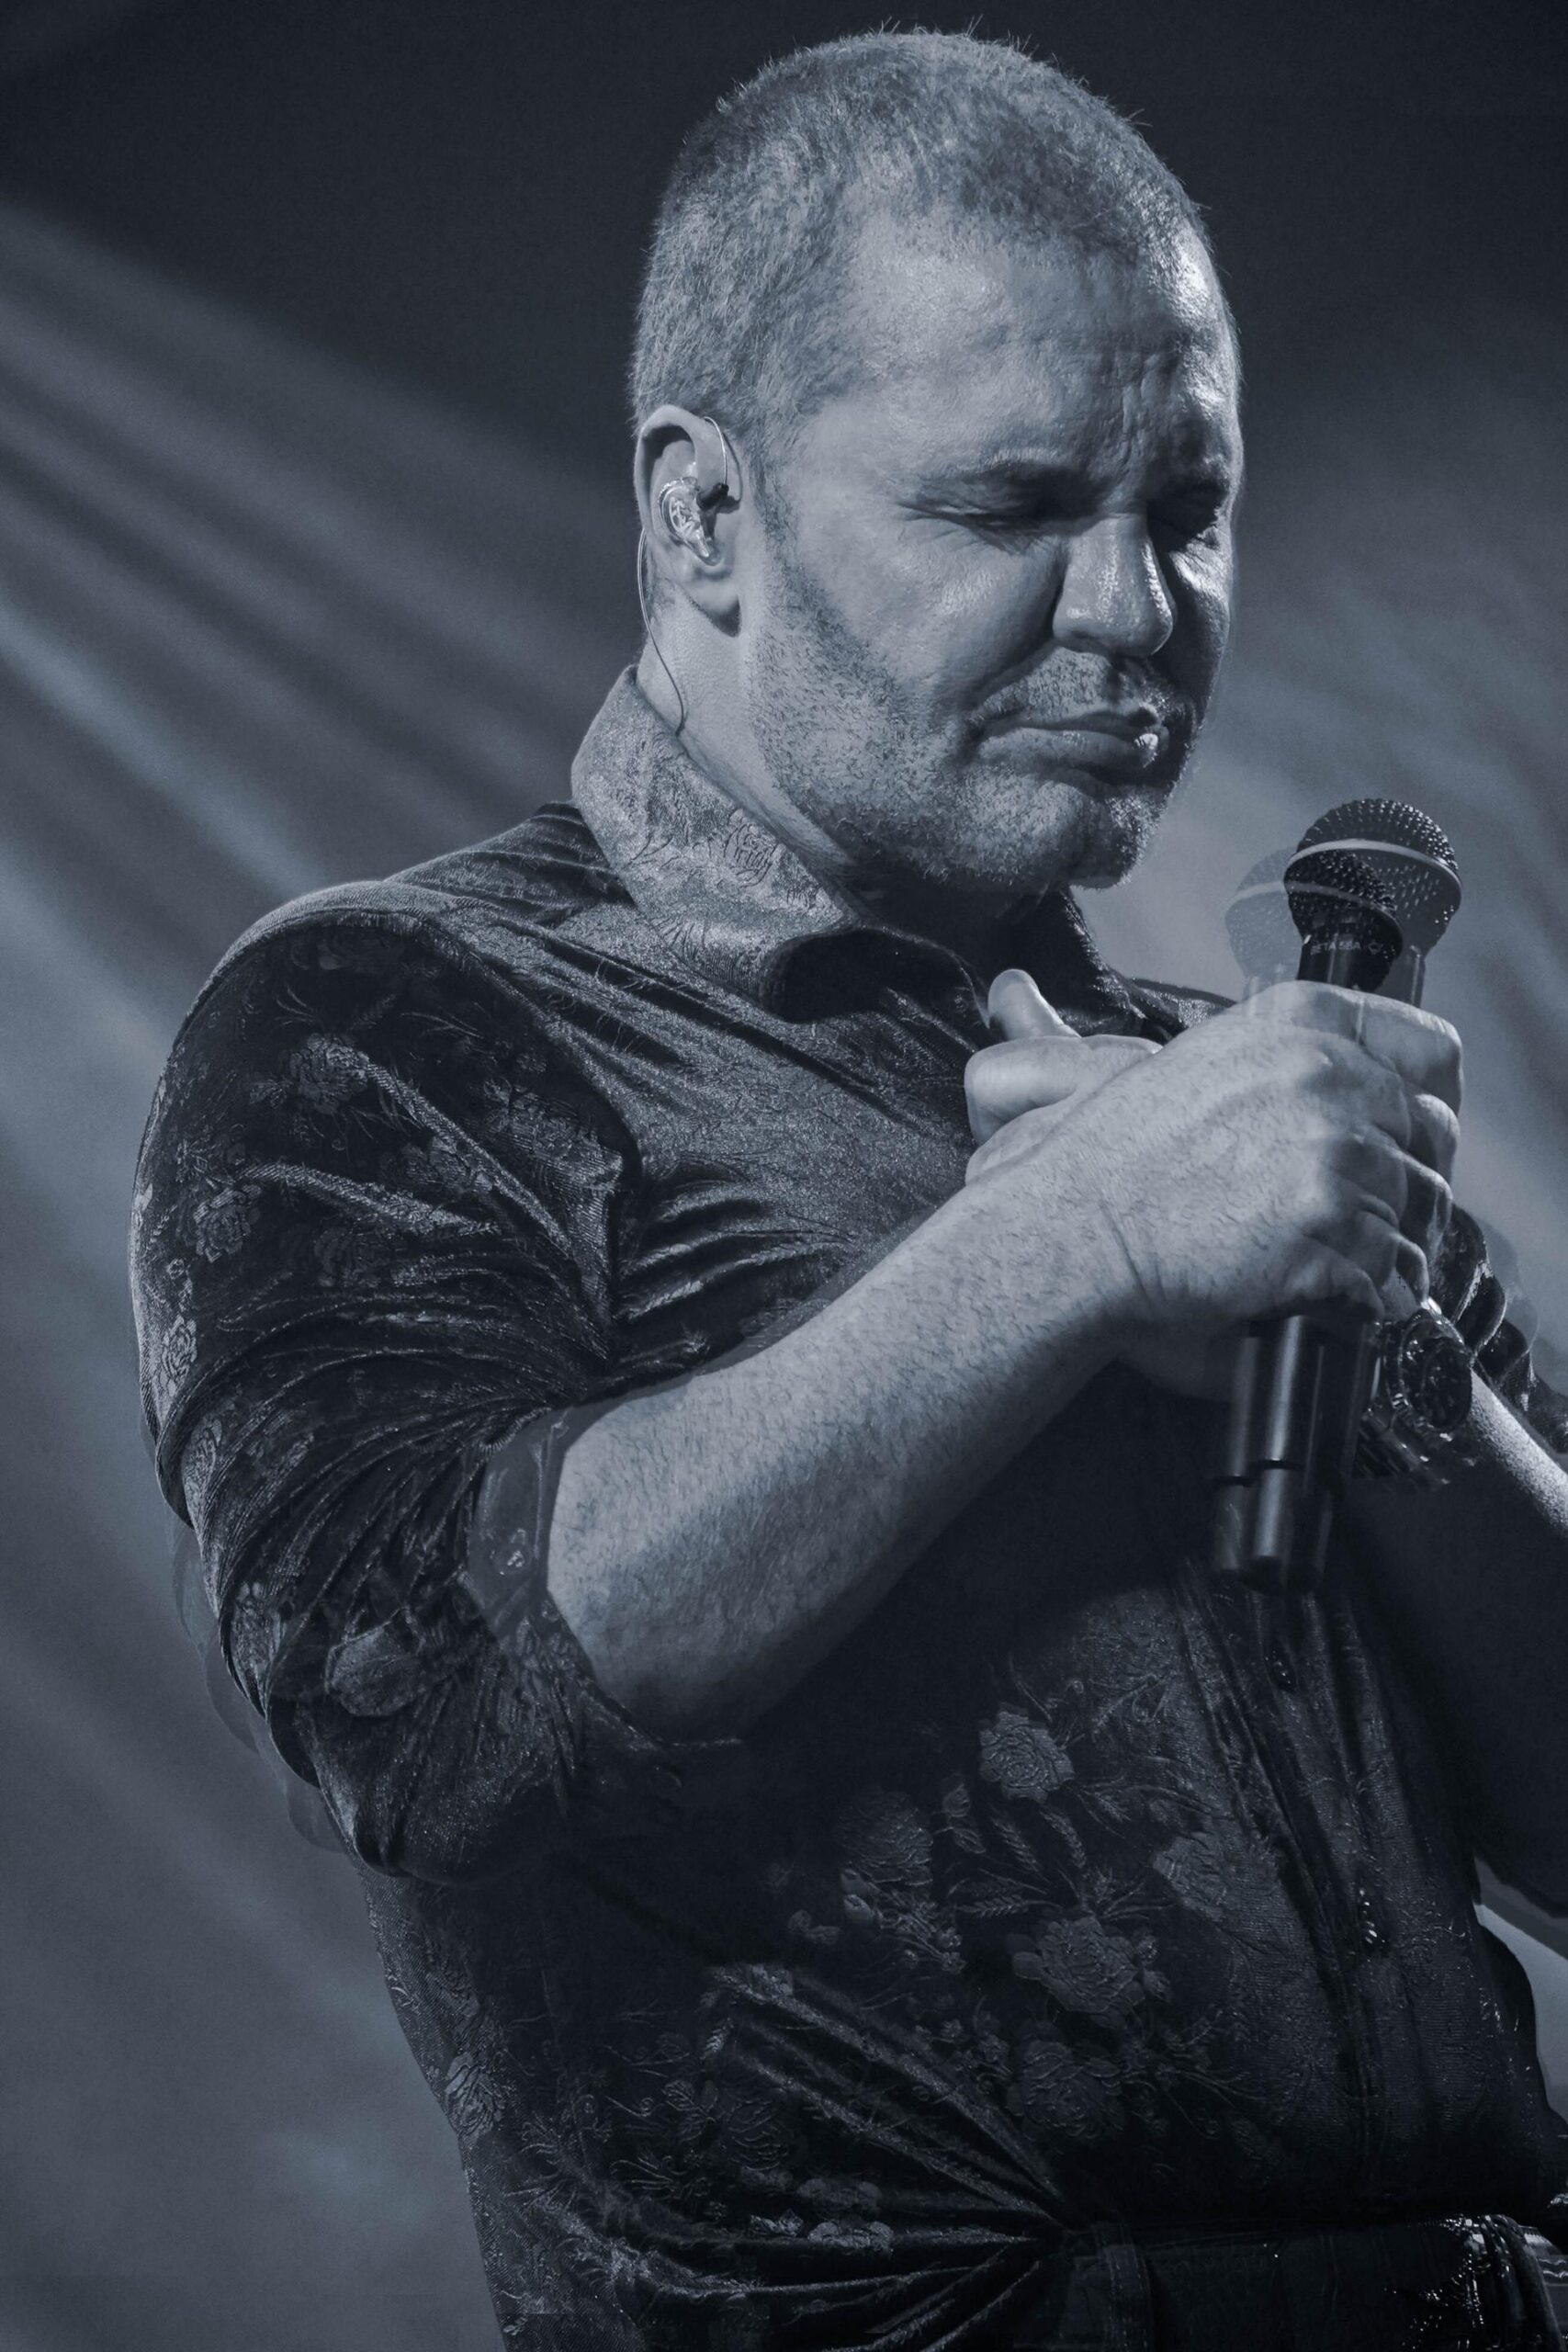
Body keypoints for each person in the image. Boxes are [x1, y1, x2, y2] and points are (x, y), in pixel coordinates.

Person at [131, 31, 1568, 2350]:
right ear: (703, 514)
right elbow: (432, 1711)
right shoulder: (386, 1021)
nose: (1137, 610)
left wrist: (1367, 1327)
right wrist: (1066, 1247)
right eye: (1011, 509)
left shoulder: (1233, 1098)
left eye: (1186, 509)